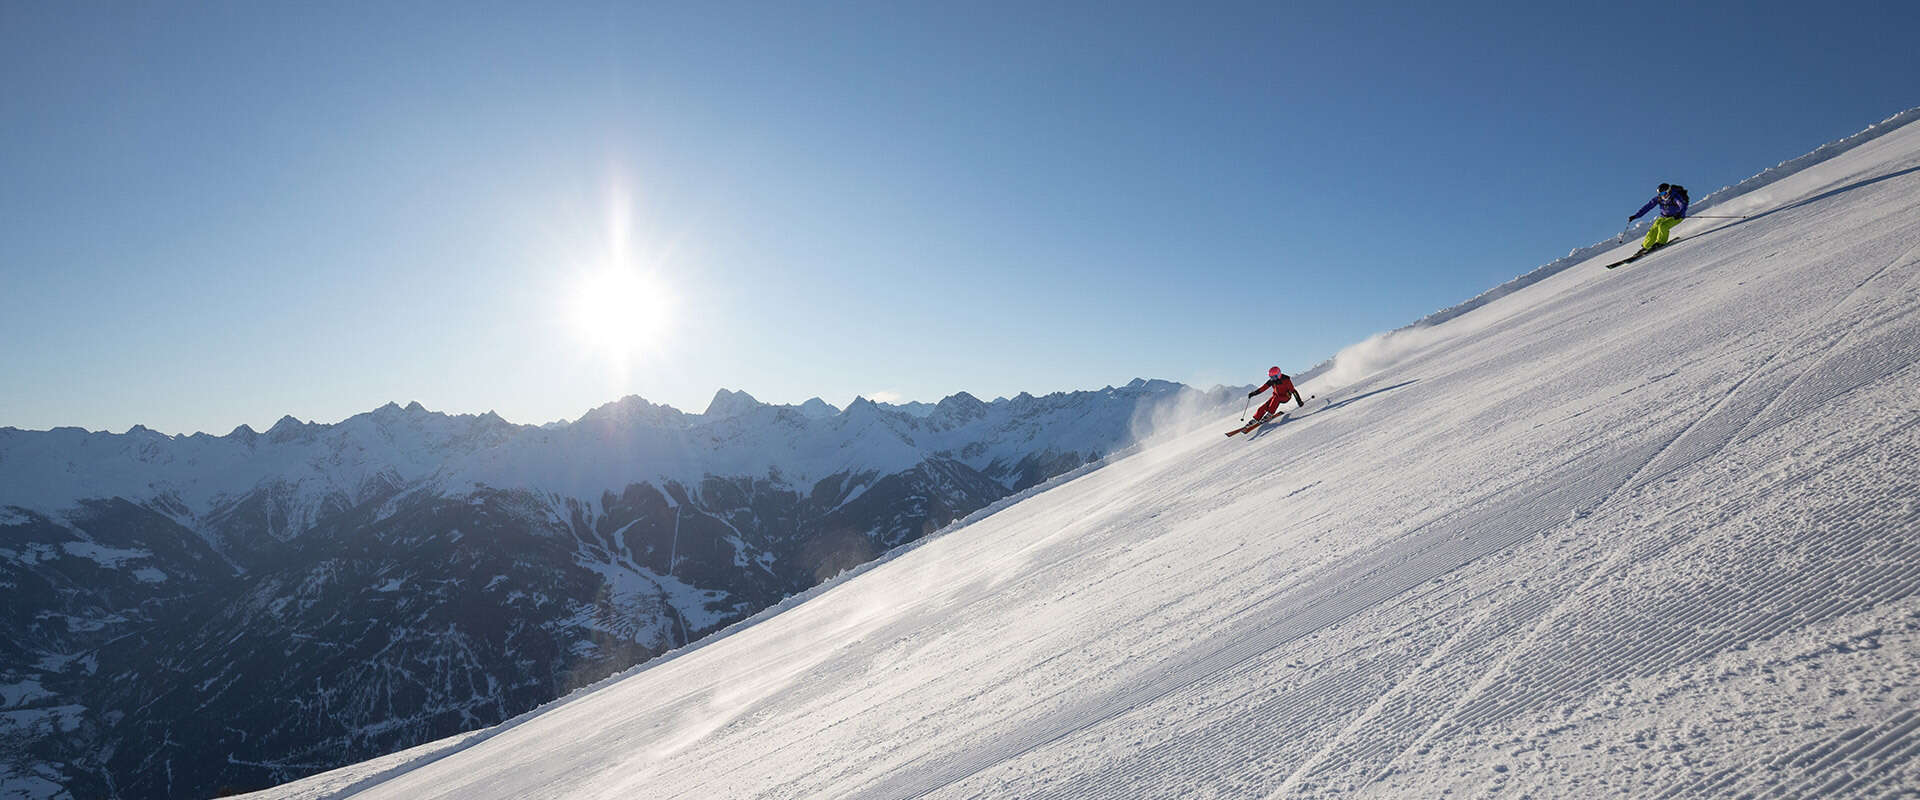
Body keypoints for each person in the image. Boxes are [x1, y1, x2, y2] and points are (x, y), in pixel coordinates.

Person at [1628, 183, 1689, 255]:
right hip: (1663, 217)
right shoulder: (1659, 198)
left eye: (1663, 193)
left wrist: (1680, 213)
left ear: (1668, 191)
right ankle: (1646, 246)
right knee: (1653, 230)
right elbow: (1647, 207)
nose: (1662, 195)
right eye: (1660, 194)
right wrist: (1636, 216)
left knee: (1663, 226)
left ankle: (1661, 242)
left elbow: (1683, 205)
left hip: (1676, 217)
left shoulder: (1675, 197)